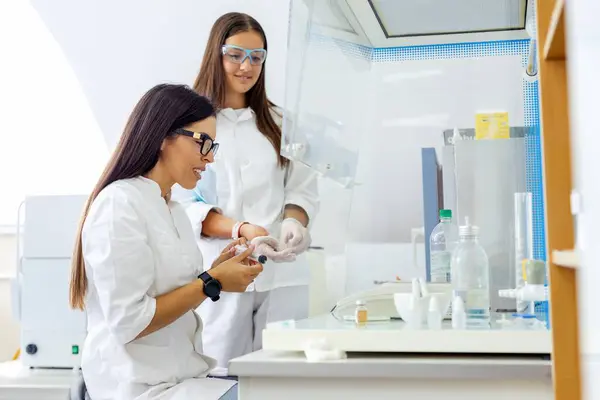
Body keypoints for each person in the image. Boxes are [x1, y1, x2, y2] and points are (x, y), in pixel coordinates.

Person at [68, 83, 263, 399]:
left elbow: (176, 296)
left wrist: (216, 272)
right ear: (162, 137)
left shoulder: (173, 210)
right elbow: (130, 321)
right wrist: (211, 282)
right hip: (137, 388)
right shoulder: (119, 204)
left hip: (180, 379)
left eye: (214, 147)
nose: (209, 158)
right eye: (204, 143)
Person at [171, 12, 319, 377]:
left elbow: (301, 189)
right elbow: (190, 204)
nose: (246, 66)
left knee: (281, 374)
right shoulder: (191, 126)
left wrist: (293, 223)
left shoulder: (281, 123)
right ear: (216, 55)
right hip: (222, 268)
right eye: (236, 54)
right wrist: (243, 230)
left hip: (281, 274)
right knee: (221, 372)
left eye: (257, 57)